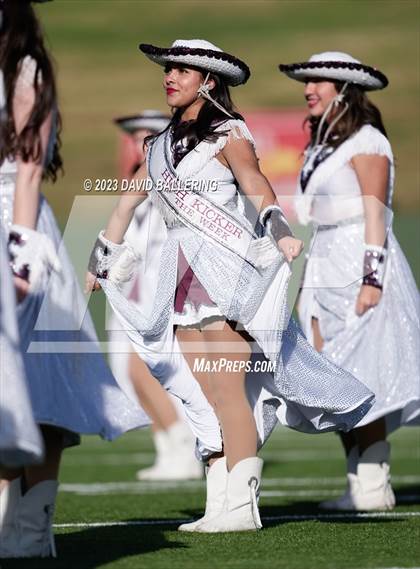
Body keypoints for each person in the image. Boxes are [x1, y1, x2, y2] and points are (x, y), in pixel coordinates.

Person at [86, 39, 374, 533]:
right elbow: (122, 206)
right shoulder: (157, 148)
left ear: (209, 80)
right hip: (180, 283)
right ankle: (219, 502)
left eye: (182, 70)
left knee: (226, 388)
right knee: (203, 396)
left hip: (229, 274)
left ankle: (241, 505)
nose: (169, 76)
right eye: (168, 69)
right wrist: (99, 261)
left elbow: (256, 182)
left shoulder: (228, 133)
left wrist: (280, 232)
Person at [0, 0, 149, 557]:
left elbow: (29, 169)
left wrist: (20, 252)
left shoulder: (27, 72)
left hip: (19, 225)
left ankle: (33, 528)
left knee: (43, 382)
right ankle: (10, 521)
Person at [279, 51, 420, 510]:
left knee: (364, 373)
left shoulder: (368, 141)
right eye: (306, 81)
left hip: (359, 261)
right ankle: (358, 482)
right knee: (332, 379)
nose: (308, 89)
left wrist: (372, 279)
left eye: (317, 81)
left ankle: (373, 484)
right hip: (322, 265)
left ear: (343, 89)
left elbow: (377, 211)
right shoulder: (323, 146)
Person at [110, 110, 203, 481]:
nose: (138, 143)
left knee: (144, 369)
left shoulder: (171, 175)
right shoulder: (134, 179)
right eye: (134, 137)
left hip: (164, 287)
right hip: (137, 289)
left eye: (147, 135)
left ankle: (184, 444)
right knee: (132, 372)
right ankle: (168, 448)